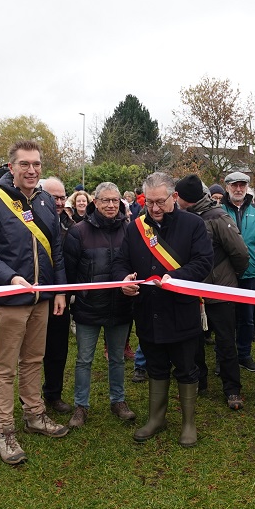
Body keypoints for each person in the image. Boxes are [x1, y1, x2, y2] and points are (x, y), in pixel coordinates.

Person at [0, 140, 69, 466]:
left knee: (33, 360)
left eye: (36, 164)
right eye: (24, 164)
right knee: (4, 368)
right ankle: (4, 430)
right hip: (10, 299)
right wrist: (10, 276)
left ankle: (35, 414)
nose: (31, 170)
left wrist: (60, 291)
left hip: (42, 299)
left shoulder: (43, 201)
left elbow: (56, 250)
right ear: (11, 167)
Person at [114, 172, 213, 447]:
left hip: (181, 310)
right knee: (156, 367)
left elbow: (204, 262)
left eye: (161, 201)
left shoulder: (193, 224)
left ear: (174, 197)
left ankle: (188, 423)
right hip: (147, 310)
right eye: (150, 202)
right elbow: (122, 261)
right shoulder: (135, 228)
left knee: (185, 367)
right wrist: (125, 280)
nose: (155, 208)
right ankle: (156, 418)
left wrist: (177, 277)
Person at [63, 182, 136, 427]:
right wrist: (72, 298)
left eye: (115, 200)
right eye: (105, 200)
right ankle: (80, 406)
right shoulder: (78, 231)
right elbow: (70, 271)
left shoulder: (130, 230)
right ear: (95, 202)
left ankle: (118, 400)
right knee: (84, 359)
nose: (111, 205)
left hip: (120, 306)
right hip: (88, 306)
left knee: (116, 357)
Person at [175, 175, 249, 410]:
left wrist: (227, 278)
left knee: (225, 341)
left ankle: (232, 389)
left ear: (185, 198)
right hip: (193, 290)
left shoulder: (218, 216)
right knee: (193, 340)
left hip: (220, 291)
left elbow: (240, 253)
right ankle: (199, 381)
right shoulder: (182, 218)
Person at [221, 171, 255, 373]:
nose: (238, 189)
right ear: (227, 186)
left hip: (250, 273)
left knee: (247, 318)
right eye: (234, 185)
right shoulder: (218, 210)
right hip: (225, 273)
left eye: (242, 185)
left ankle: (244, 354)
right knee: (225, 319)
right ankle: (225, 357)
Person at [41, 177, 74, 414]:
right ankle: (30, 399)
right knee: (31, 353)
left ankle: (53, 394)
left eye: (63, 197)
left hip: (61, 297)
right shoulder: (28, 223)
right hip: (34, 296)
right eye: (54, 197)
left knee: (58, 349)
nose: (60, 202)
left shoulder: (71, 227)